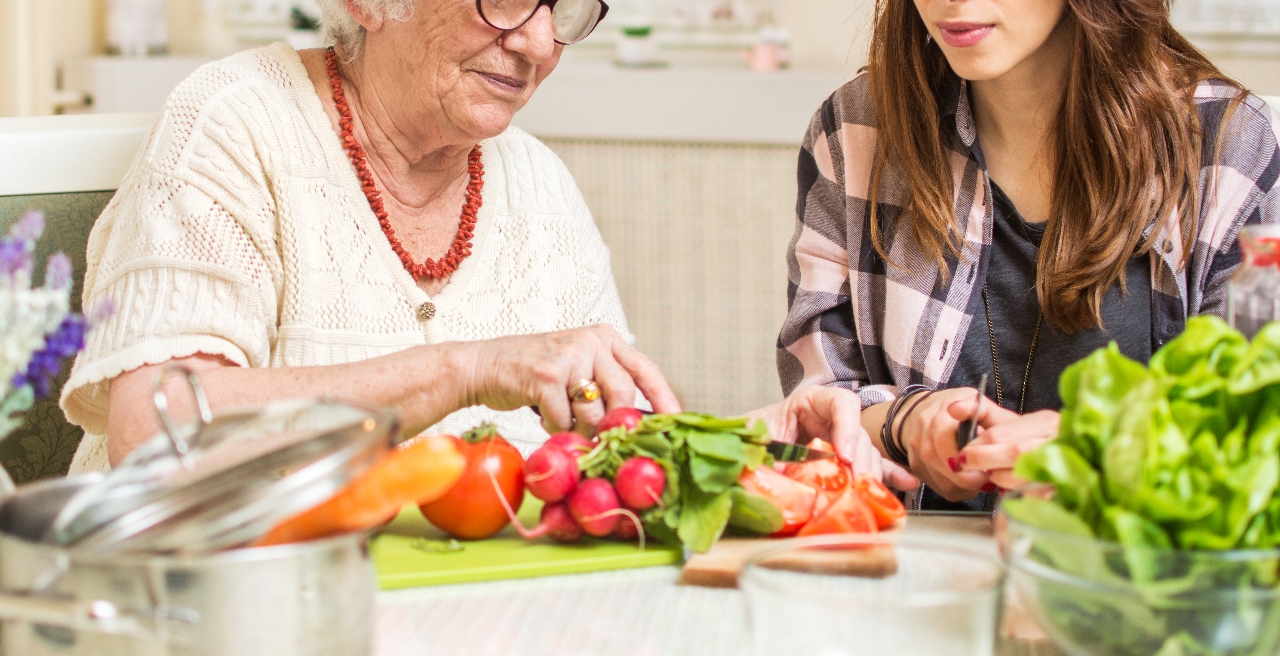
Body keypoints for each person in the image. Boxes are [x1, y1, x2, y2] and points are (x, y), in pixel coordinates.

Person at [61, 0, 890, 482]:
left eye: (562, 8)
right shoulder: (236, 121)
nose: (537, 44)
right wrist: (465, 367)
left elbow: (613, 451)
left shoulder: (537, 187)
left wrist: (763, 442)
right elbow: (151, 426)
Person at [777, 0, 1279, 510]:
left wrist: (1101, 452)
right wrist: (906, 422)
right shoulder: (855, 129)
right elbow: (818, 406)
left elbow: (1254, 438)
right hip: (920, 573)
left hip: (1135, 583)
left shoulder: (1230, 147)